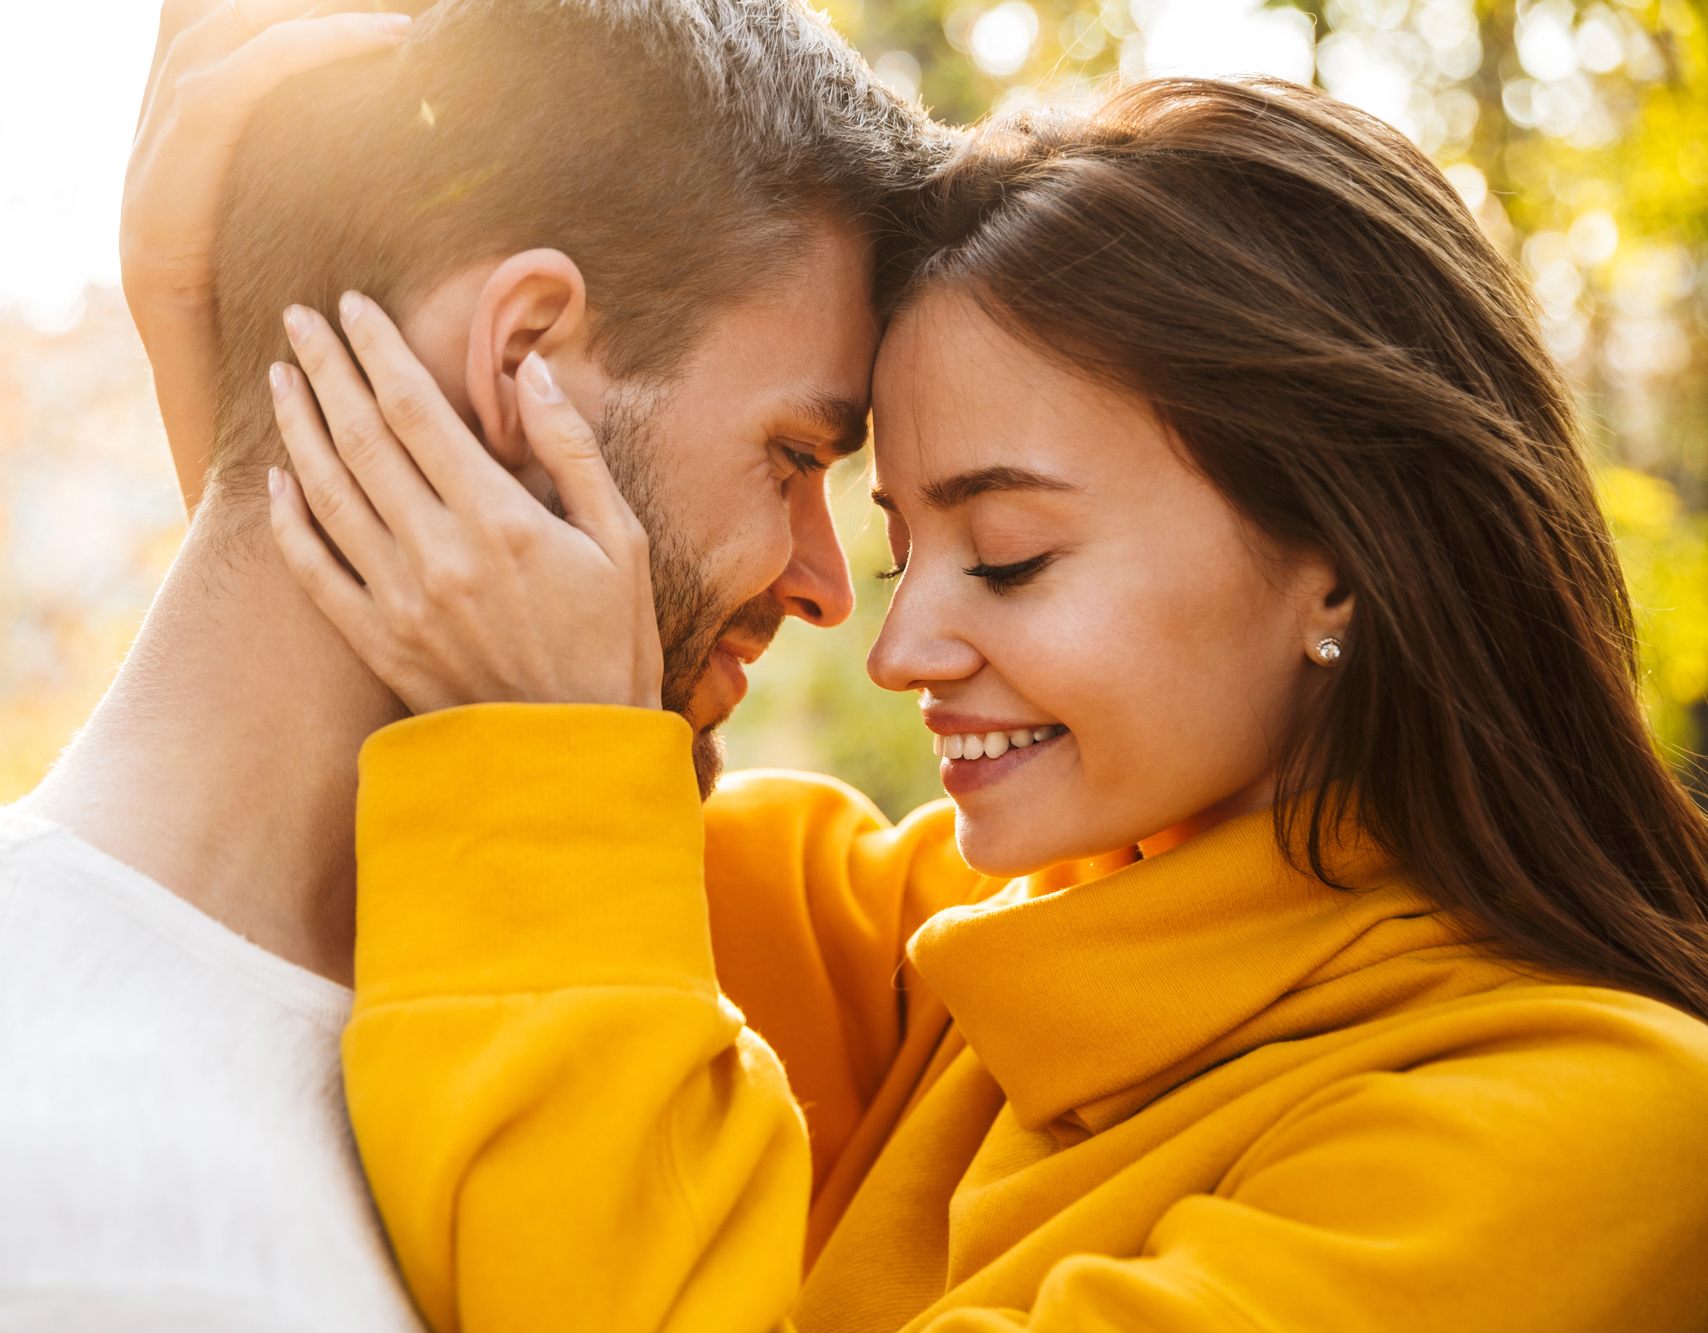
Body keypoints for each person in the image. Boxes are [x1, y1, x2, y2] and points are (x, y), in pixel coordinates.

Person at [265, 77, 1708, 1330]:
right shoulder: (983, 940)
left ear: (1341, 563)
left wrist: (545, 758)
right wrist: (251, 330)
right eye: (903, 545)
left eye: (1009, 557)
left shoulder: (1594, 1129)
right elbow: (447, 842)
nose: (899, 650)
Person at [0, 2, 938, 1327]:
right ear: (523, 363)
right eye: (796, 459)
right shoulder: (85, 1235)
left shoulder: (450, 977)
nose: (826, 584)